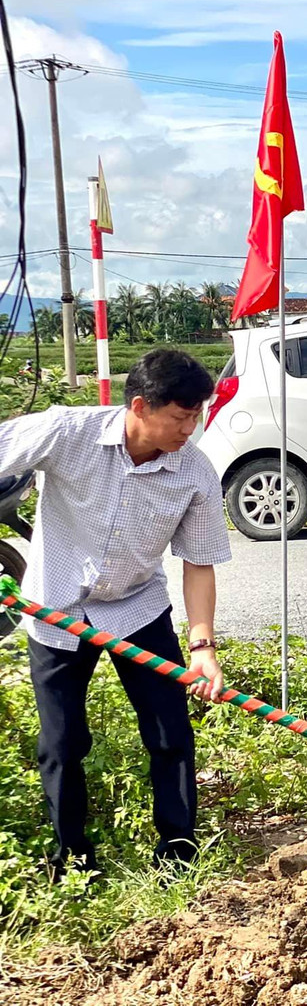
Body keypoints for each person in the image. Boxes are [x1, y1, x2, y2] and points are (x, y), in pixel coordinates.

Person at [0, 350, 232, 877]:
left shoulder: (195, 472)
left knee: (171, 734)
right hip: (54, 607)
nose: (189, 429)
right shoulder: (66, 431)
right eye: (179, 417)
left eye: (196, 416)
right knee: (61, 744)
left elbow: (198, 564)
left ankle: (177, 854)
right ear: (139, 407)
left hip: (137, 607)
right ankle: (72, 862)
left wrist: (203, 648)